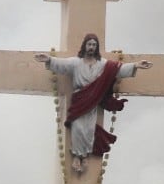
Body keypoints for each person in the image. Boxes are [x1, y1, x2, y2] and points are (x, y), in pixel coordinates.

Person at [35, 34, 153, 174]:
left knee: (89, 129)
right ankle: (77, 156)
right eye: (89, 44)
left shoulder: (102, 64)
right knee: (78, 128)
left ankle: (85, 155)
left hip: (93, 101)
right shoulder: (76, 62)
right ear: (85, 46)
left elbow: (117, 69)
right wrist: (49, 59)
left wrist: (136, 65)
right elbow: (62, 64)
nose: (91, 47)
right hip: (80, 99)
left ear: (96, 47)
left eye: (94, 45)